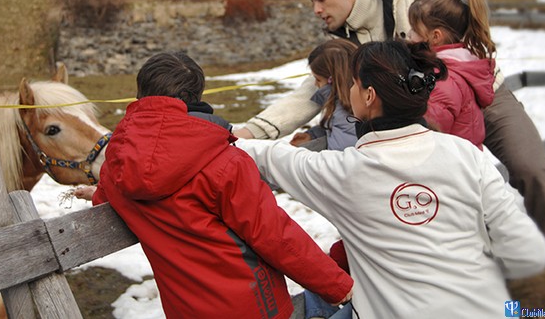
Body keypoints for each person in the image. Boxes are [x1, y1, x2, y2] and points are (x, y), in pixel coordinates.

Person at [233, 0, 545, 308]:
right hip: (425, 110)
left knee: (531, 170)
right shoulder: (344, 40)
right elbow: (309, 94)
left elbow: (451, 34)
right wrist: (250, 131)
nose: (316, 9)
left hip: (477, 91)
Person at [237, 40, 545, 318]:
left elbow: (267, 156)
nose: (349, 90)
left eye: (355, 84)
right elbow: (529, 253)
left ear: (369, 95)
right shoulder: (466, 155)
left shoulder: (339, 172)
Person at [80, 51, 353, 319]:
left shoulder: (118, 162)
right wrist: (338, 287)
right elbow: (274, 234)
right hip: (254, 306)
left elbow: (111, 194)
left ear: (141, 95)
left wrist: (99, 193)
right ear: (197, 95)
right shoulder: (224, 162)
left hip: (184, 309)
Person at [407, 0, 495, 149]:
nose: (409, 35)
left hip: (452, 168)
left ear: (435, 36)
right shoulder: (455, 66)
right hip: (459, 163)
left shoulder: (444, 79)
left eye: (415, 30)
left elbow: (427, 132)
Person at [290, 39, 359, 152]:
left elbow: (337, 159)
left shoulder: (344, 114)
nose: (315, 84)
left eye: (318, 79)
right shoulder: (349, 108)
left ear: (332, 80)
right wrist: (313, 135)